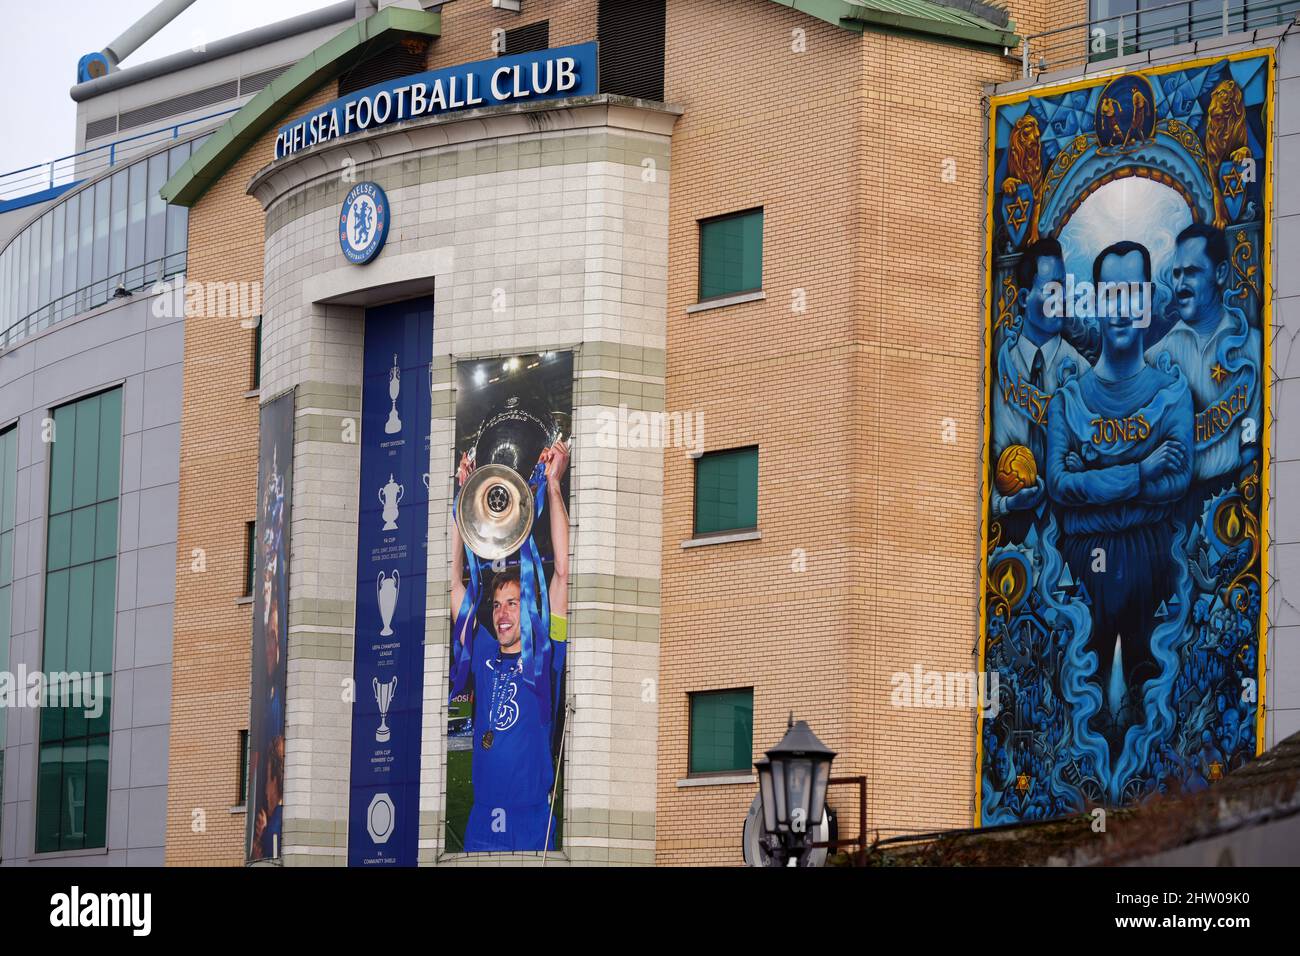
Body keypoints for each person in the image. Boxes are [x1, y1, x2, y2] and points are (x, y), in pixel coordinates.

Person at [1046, 241, 1193, 731]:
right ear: (1095, 302)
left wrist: (1096, 490)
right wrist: (1140, 472)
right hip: (1081, 569)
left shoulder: (1171, 394)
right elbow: (1060, 486)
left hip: (1154, 568)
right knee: (1082, 711)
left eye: (1134, 293)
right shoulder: (1066, 402)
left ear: (1148, 300)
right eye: (1112, 294)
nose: (1124, 309)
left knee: (1145, 703)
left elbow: (1177, 480)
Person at [450, 440, 570, 852]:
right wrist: (461, 503)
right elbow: (453, 584)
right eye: (498, 605)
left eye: (513, 604)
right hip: (482, 822)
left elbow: (563, 577)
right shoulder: (483, 653)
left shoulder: (546, 655)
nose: (502, 613)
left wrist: (553, 485)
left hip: (532, 821)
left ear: (529, 609)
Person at [1145, 223, 1261, 523]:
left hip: (1233, 502)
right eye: (1177, 273)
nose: (1181, 284)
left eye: (1192, 272)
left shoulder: (1253, 347)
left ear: (1220, 273)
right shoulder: (1156, 358)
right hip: (1172, 511)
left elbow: (1253, 445)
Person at [992, 237, 1090, 536]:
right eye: (1051, 290)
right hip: (1009, 538)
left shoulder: (1082, 373)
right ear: (1024, 298)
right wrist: (1005, 505)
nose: (1061, 299)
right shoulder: (999, 370)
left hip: (1070, 535)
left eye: (1064, 288)